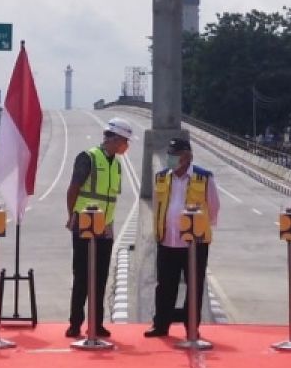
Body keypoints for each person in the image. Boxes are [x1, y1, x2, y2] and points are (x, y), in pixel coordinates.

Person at [145, 137, 220, 338]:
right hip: (167, 241)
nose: (170, 158)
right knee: (164, 286)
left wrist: (201, 227)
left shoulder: (204, 178)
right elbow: (158, 206)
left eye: (175, 155)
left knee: (194, 286)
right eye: (169, 154)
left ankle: (191, 327)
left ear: (187, 157)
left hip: (194, 244)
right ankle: (160, 324)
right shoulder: (161, 177)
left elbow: (213, 207)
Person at [65, 116, 132, 339]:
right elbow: (73, 188)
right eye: (124, 141)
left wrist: (109, 225)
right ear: (113, 139)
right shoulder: (88, 158)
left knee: (101, 277)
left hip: (106, 227)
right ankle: (75, 323)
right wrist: (71, 216)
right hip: (84, 225)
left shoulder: (117, 165)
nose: (126, 146)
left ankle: (97, 323)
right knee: (82, 276)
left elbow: (110, 197)